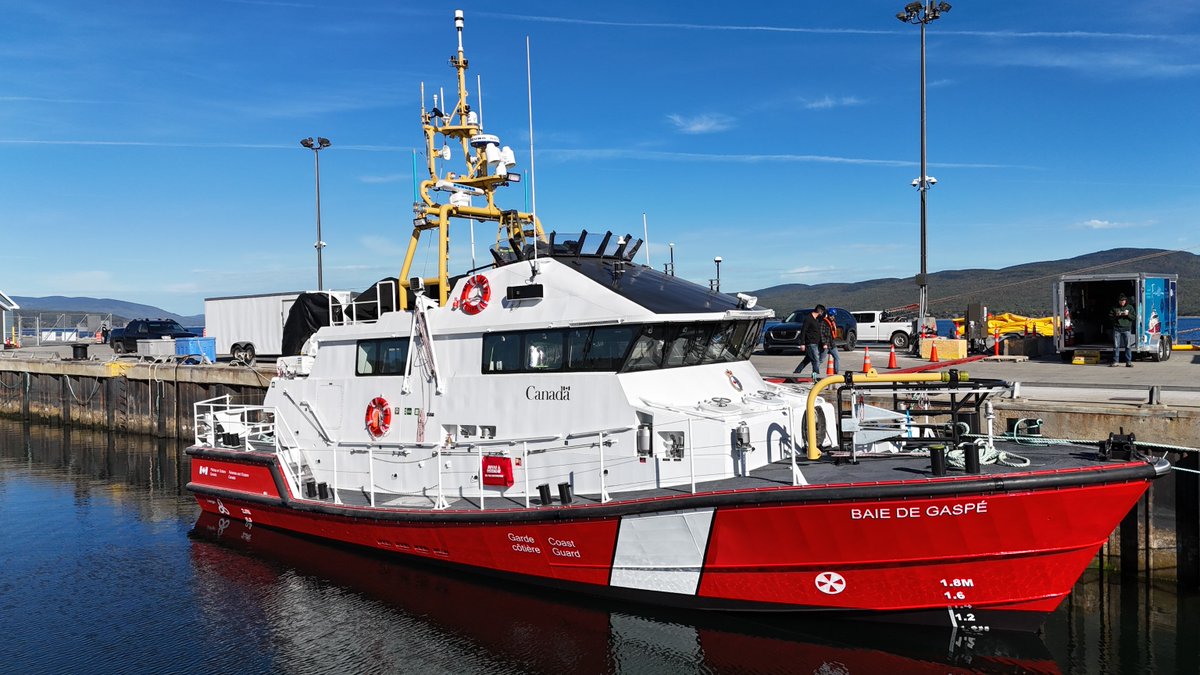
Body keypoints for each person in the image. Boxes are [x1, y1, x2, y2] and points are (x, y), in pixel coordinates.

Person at [792, 305, 825, 379]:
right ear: (820, 311)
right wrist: (802, 343)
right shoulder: (808, 318)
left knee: (807, 359)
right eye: (822, 312)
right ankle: (816, 378)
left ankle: (796, 373)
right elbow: (803, 331)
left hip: (816, 343)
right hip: (810, 343)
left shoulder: (816, 319)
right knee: (815, 360)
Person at [1109, 293, 1136, 367]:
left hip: (1127, 329)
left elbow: (1134, 317)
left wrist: (1128, 315)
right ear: (1118, 301)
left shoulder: (1130, 307)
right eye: (1121, 301)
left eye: (1123, 300)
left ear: (1126, 300)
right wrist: (1116, 315)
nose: (1122, 302)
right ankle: (1115, 361)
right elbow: (1110, 317)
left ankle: (1128, 362)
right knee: (1116, 346)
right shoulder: (1114, 308)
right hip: (1117, 328)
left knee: (1127, 346)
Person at [820, 308, 840, 374]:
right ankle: (815, 372)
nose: (832, 317)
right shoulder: (823, 322)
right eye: (831, 315)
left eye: (833, 316)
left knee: (837, 357)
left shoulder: (833, 322)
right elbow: (821, 334)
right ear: (828, 315)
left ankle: (836, 372)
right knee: (821, 360)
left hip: (832, 344)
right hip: (826, 344)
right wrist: (824, 343)